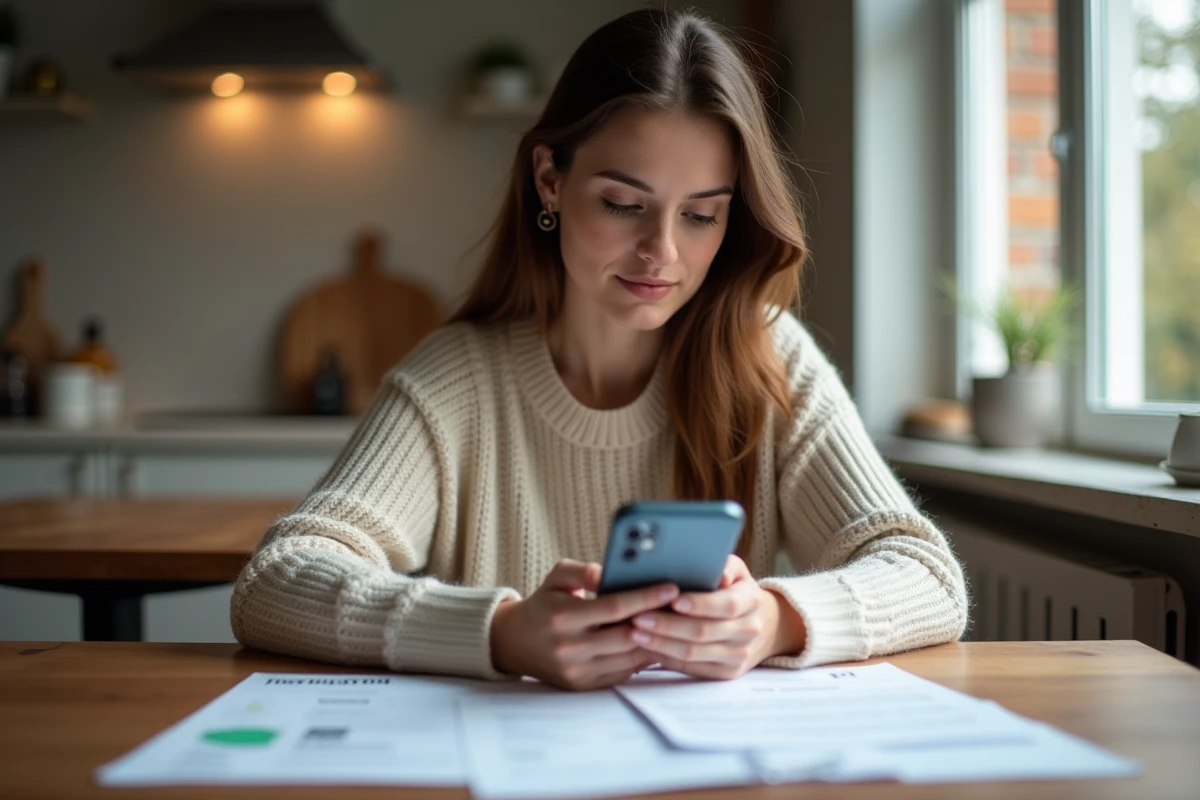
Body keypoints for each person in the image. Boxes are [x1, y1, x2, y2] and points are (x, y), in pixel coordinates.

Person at [231, 7, 968, 691]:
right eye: (624, 204)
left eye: (703, 215)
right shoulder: (453, 380)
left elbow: (928, 577)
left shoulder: (769, 358)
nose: (662, 253)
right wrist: (501, 634)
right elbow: (276, 582)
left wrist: (776, 619)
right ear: (551, 181)